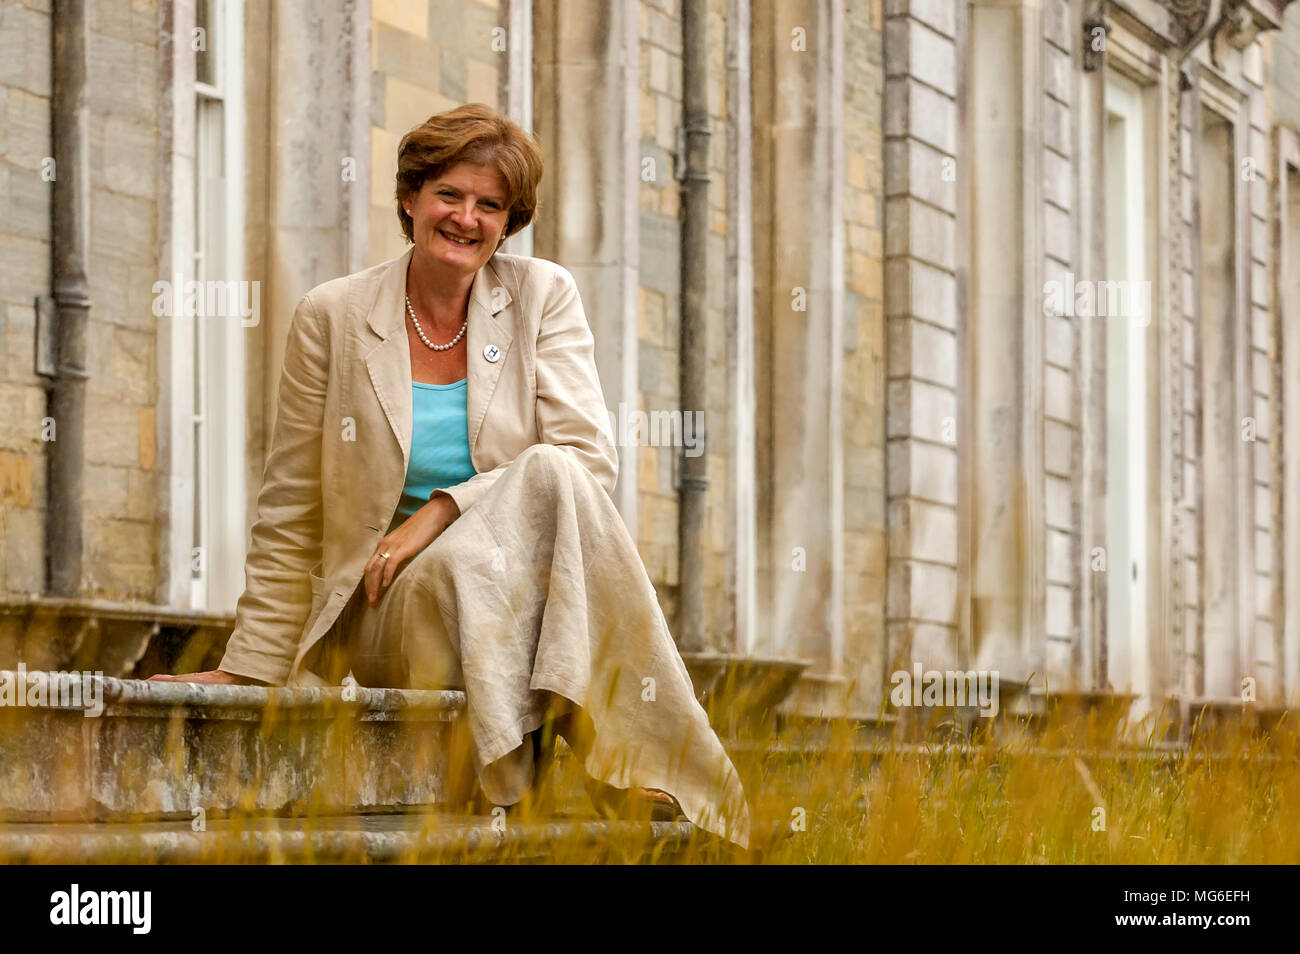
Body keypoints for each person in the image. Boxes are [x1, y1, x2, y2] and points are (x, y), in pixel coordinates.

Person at [150, 103, 751, 851]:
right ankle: (625, 760)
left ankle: (540, 781)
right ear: (410, 197)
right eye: (450, 195)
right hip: (382, 607)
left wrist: (438, 511)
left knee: (551, 479)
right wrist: (250, 669)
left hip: (505, 596)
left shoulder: (542, 297)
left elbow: (586, 466)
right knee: (491, 542)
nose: (467, 218)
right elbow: (292, 509)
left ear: (509, 221)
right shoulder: (332, 317)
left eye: (490, 205)